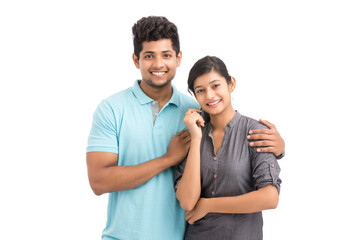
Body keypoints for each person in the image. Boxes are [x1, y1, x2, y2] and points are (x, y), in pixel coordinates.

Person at [86, 16, 285, 240]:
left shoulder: (196, 112)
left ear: (178, 58)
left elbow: (232, 133)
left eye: (167, 55)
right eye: (149, 56)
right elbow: (99, 182)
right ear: (136, 60)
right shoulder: (111, 109)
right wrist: (167, 159)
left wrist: (278, 148)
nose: (159, 64)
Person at [175, 56, 282, 240]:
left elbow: (270, 197)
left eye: (215, 86)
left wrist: (209, 205)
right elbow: (187, 201)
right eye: (201, 90)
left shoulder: (256, 132)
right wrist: (196, 138)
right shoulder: (193, 136)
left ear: (231, 84)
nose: (209, 95)